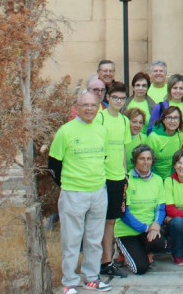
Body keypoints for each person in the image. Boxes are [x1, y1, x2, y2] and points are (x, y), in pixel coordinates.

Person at [48, 90, 112, 293]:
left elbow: (103, 159)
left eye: (93, 105)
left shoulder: (102, 130)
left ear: (98, 107)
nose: (89, 109)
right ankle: (69, 282)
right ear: (77, 106)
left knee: (94, 239)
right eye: (85, 105)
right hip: (73, 193)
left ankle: (92, 278)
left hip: (98, 192)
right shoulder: (65, 131)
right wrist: (67, 184)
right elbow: (53, 164)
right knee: (72, 239)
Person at [114, 144, 168, 276]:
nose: (145, 162)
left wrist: (156, 225)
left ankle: (144, 250)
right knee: (141, 268)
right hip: (128, 231)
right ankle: (123, 251)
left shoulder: (158, 180)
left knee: (161, 244)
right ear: (135, 160)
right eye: (142, 158)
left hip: (148, 229)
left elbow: (160, 208)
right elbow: (124, 214)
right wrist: (146, 228)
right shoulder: (126, 180)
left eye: (148, 159)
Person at [97, 81, 130, 278]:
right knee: (97, 221)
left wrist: (125, 173)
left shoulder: (124, 121)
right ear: (108, 98)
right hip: (102, 177)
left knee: (111, 221)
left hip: (118, 177)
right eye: (115, 97)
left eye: (122, 98)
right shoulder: (99, 118)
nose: (119, 101)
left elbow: (124, 148)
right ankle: (97, 259)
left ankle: (107, 261)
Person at [147, 105, 183, 179]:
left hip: (173, 177)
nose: (172, 121)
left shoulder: (180, 134)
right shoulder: (153, 137)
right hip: (155, 177)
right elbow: (148, 162)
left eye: (176, 118)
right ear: (163, 120)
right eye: (169, 117)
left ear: (180, 120)